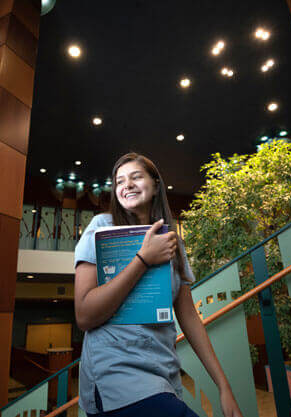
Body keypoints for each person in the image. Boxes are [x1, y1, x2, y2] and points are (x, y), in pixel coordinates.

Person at [74, 153, 243, 417]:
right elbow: (84, 315)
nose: (126, 184)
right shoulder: (101, 227)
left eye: (136, 177)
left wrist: (223, 386)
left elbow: (189, 317)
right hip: (116, 378)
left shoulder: (173, 243)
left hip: (163, 376)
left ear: (155, 185)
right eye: (119, 181)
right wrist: (143, 259)